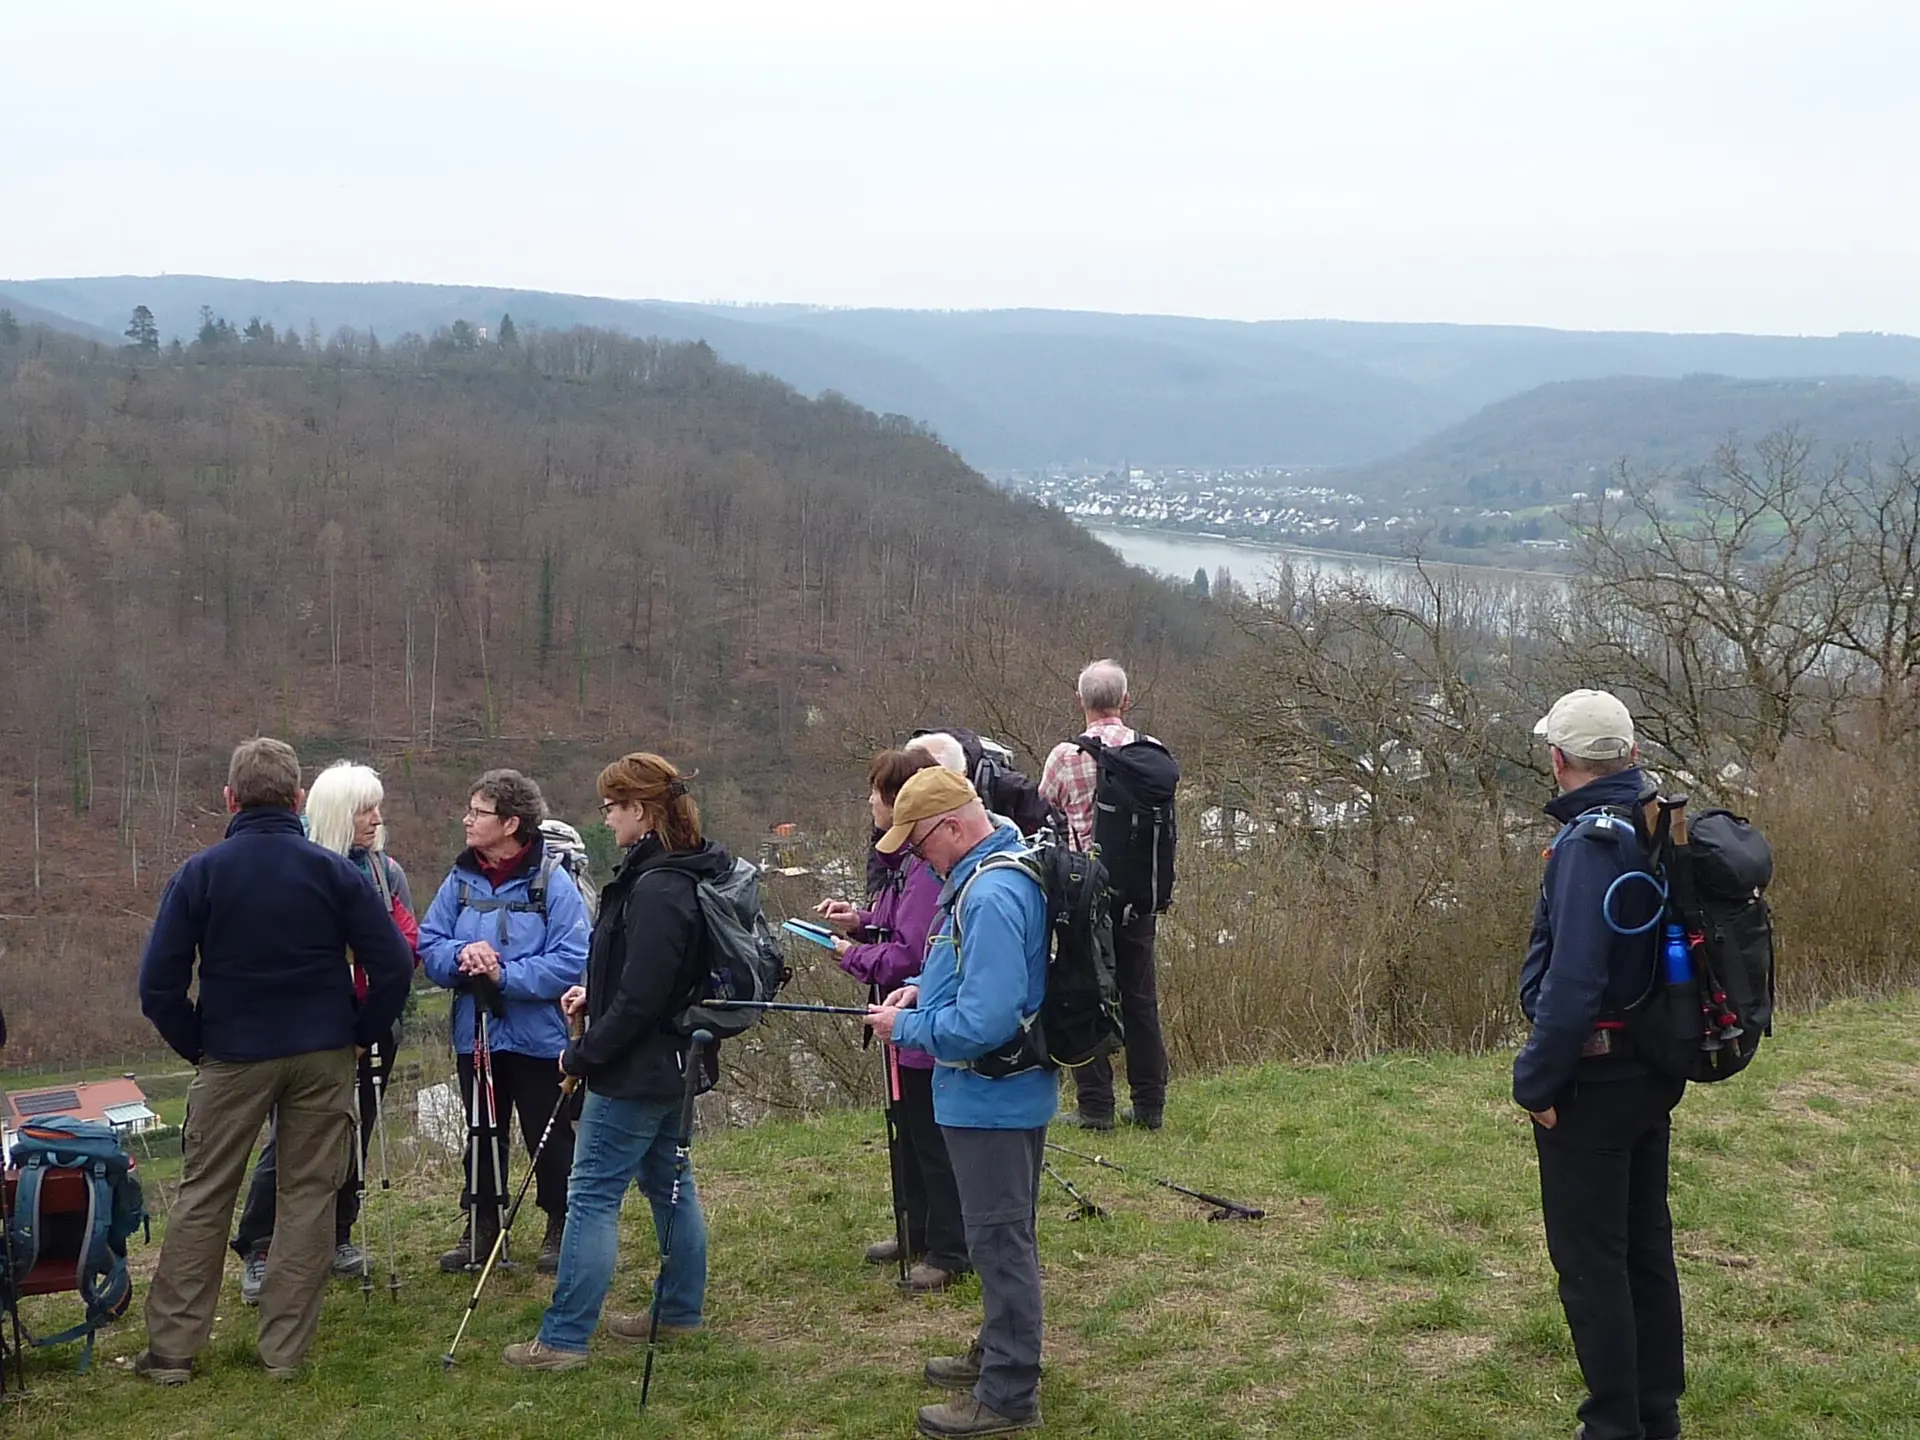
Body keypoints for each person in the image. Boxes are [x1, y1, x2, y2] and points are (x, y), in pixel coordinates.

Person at [133, 738, 411, 1383]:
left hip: (232, 1052)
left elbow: (158, 986)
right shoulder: (335, 871)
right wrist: (357, 1033)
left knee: (205, 1195)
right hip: (322, 1051)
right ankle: (284, 1352)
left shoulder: (202, 873)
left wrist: (197, 1043)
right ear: (298, 800)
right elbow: (393, 962)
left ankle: (174, 1351)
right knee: (309, 1196)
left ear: (229, 799)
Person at [504, 753, 730, 1372]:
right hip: (668, 1062)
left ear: (640, 809)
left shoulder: (659, 887)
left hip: (636, 1069)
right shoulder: (671, 874)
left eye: (611, 807)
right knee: (668, 1183)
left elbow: (644, 997)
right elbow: (642, 982)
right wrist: (594, 997)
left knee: (593, 1196)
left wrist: (585, 1050)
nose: (605, 819)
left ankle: (563, 1338)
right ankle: (679, 1311)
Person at [1516, 689, 1686, 1440]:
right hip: (1653, 1068)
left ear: (1558, 761)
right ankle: (1657, 1414)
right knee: (1645, 1247)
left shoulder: (1589, 843)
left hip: (1597, 1080)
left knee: (1591, 1264)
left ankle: (1614, 1426)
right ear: (1631, 756)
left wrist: (1537, 1081)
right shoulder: (1652, 823)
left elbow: (1574, 981)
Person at [865, 767, 1052, 1439]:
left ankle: (1007, 1392)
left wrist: (904, 1028)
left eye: (917, 846)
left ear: (950, 826)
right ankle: (999, 1351)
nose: (916, 861)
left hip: (992, 1096)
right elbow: (965, 970)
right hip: (988, 1095)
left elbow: (988, 1018)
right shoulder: (980, 873)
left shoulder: (992, 891)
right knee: (999, 1234)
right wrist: (921, 987)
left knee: (1000, 1242)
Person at [230, 761, 419, 1303]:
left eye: (378, 807)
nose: (377, 819)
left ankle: (336, 1233)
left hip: (372, 1022)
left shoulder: (387, 871)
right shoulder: (304, 869)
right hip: (311, 1029)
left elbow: (405, 944)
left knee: (354, 1134)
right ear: (338, 813)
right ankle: (261, 1244)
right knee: (288, 1137)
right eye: (365, 809)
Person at [420, 769, 589, 1275]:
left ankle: (562, 1225)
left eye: (479, 812)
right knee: (482, 1131)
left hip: (539, 1039)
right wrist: (461, 956)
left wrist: (504, 974)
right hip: (477, 1035)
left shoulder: (552, 883)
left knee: (551, 1132)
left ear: (511, 822)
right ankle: (482, 1226)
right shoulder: (460, 879)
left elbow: (570, 960)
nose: (467, 820)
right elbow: (429, 943)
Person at [815, 748, 971, 1294]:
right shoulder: (902, 865)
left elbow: (912, 956)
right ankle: (917, 1230)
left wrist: (850, 956)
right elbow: (891, 925)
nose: (869, 804)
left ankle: (950, 1248)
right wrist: (857, 921)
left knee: (932, 1141)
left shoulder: (928, 872)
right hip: (899, 1026)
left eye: (875, 794)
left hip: (923, 1029)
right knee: (907, 1136)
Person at [1039, 658, 1170, 1131]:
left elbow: (1044, 813)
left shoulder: (1065, 757)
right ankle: (1150, 1104)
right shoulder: (1152, 753)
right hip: (1138, 895)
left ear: (1081, 702)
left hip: (1084, 898)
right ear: (1125, 701)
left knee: (1087, 993)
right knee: (1139, 997)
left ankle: (1096, 1106)